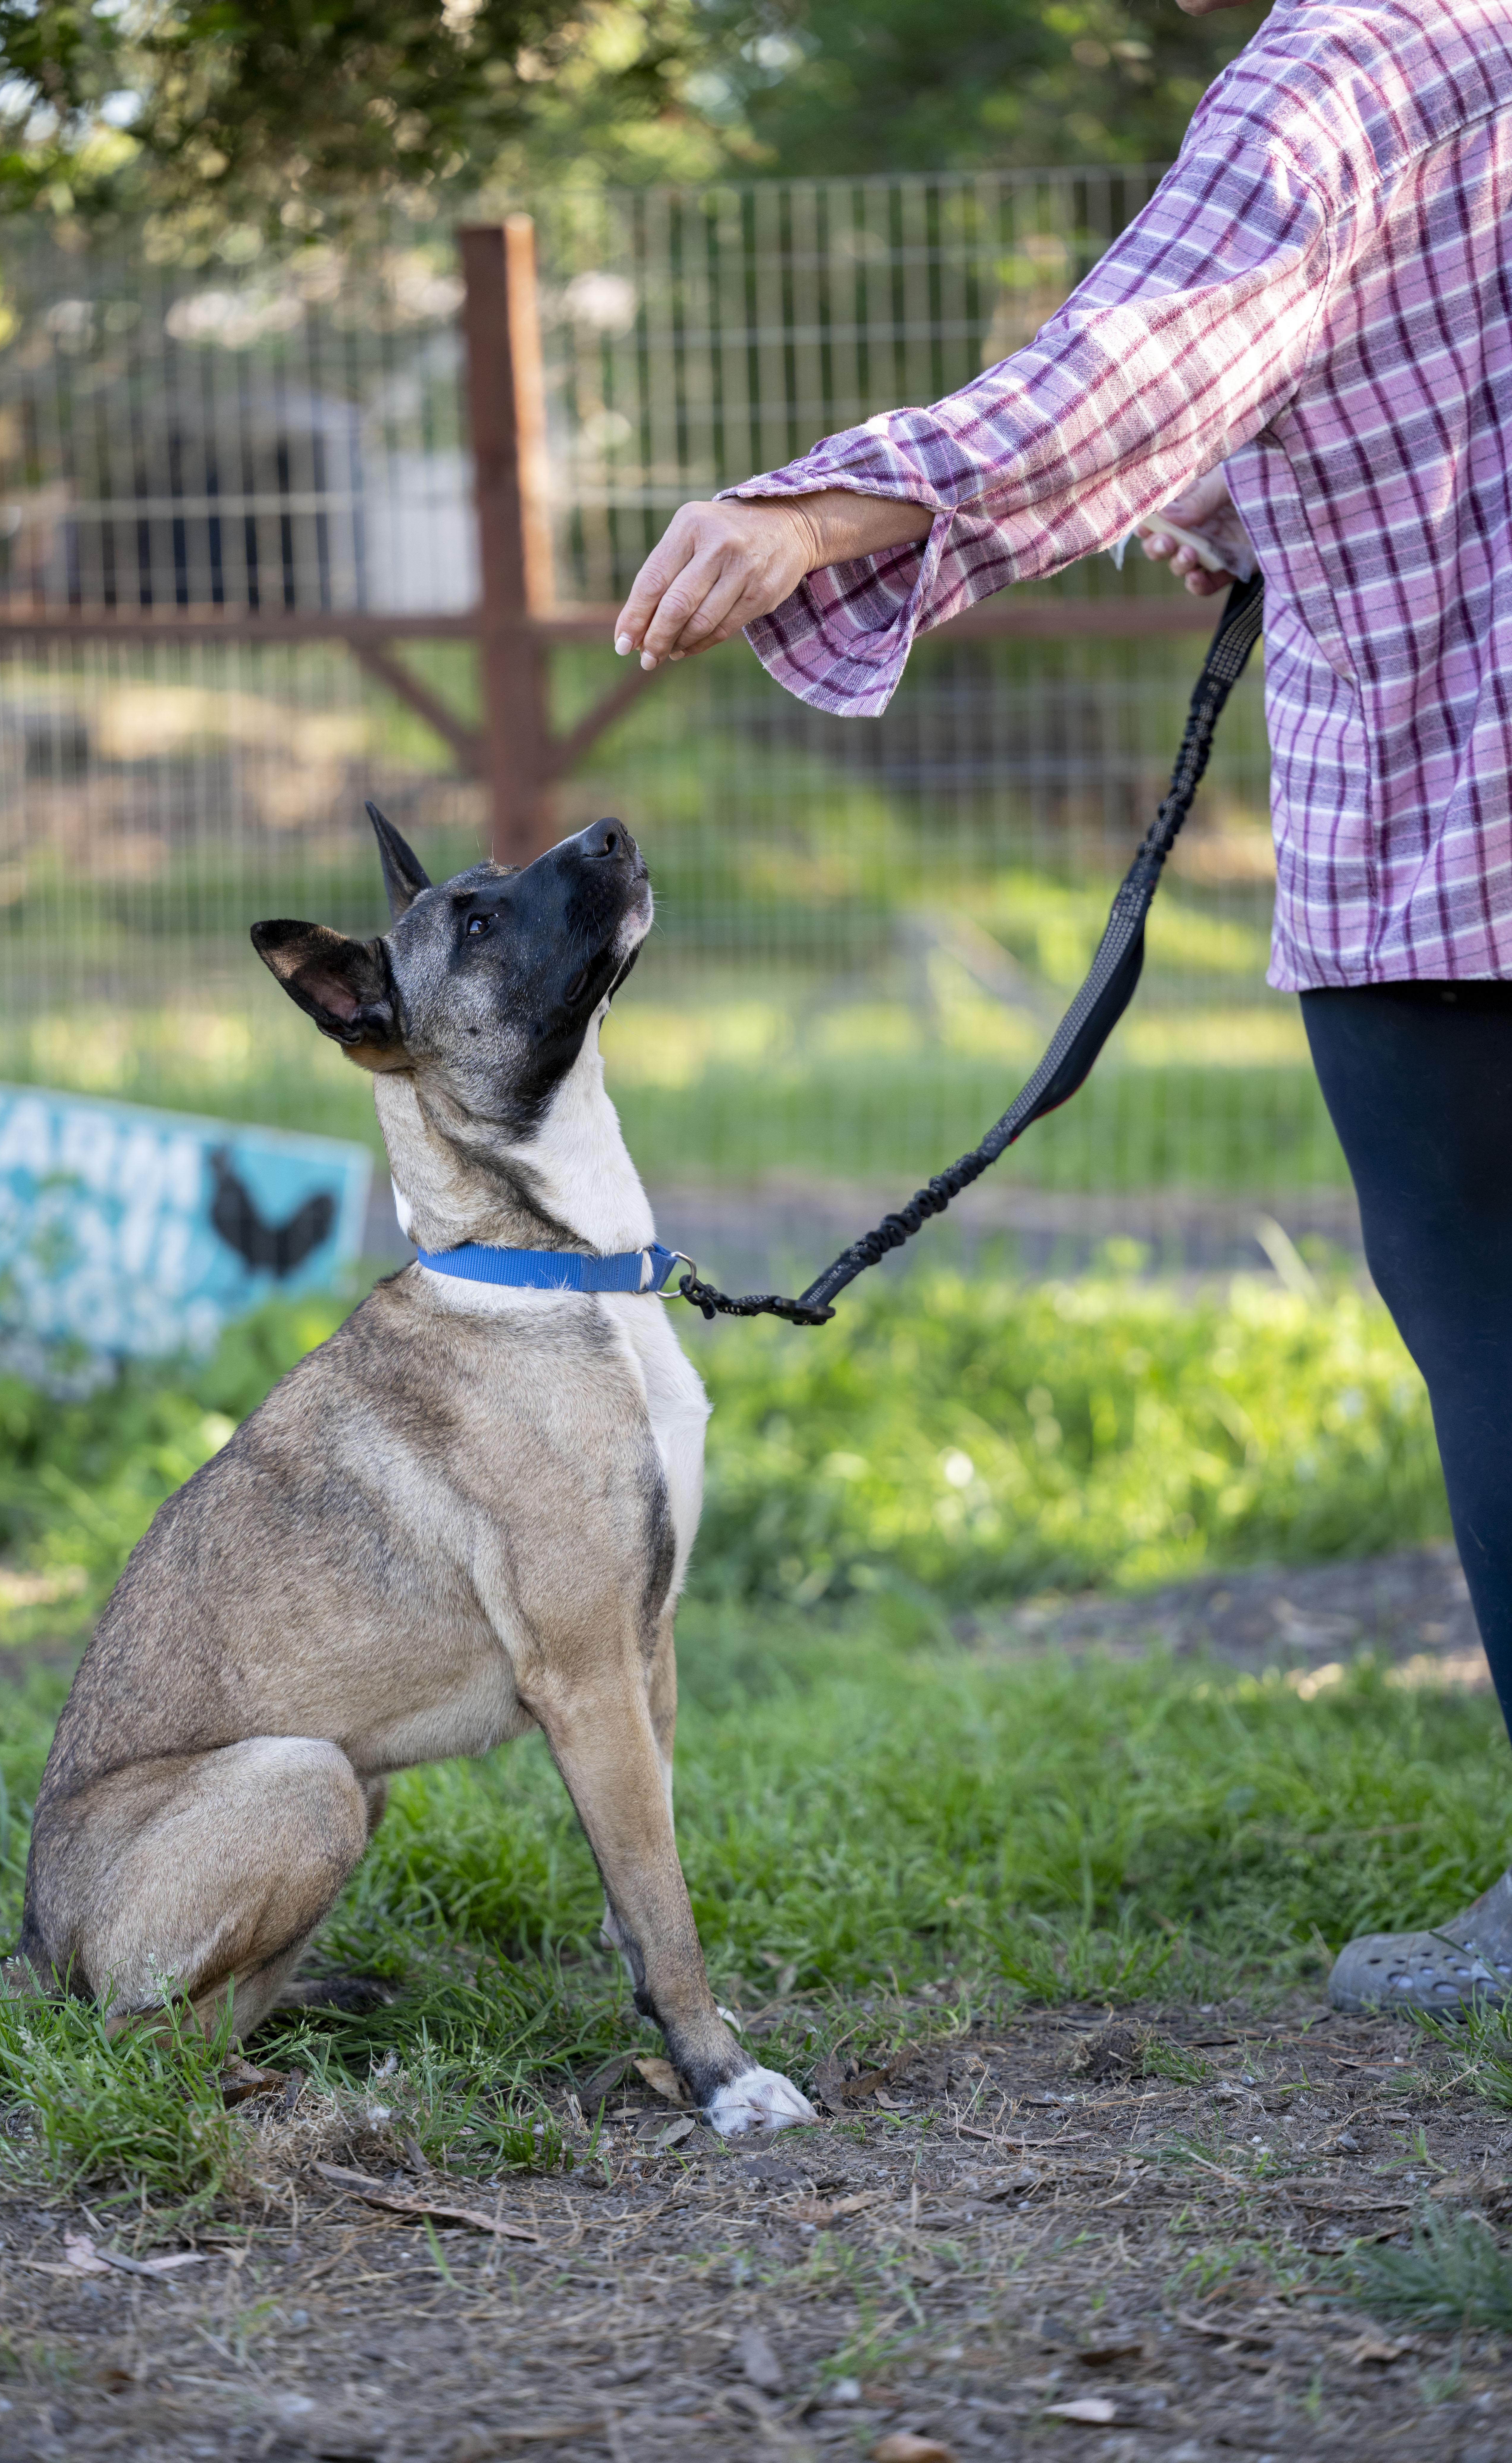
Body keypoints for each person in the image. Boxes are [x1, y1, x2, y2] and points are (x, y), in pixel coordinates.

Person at [615, 0, 1512, 2016]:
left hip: (1465, 843)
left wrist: (819, 510)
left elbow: (1139, 361)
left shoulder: (1353, 64)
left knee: (1500, 1338)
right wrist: (1254, 504)